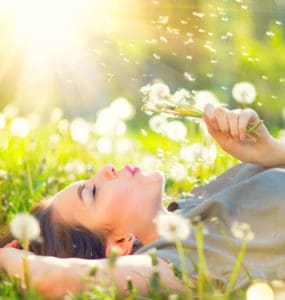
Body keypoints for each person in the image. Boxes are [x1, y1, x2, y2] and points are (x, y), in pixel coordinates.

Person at [1, 103, 285, 298]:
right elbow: (50, 279)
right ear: (118, 246)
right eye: (93, 192)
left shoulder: (192, 204)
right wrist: (5, 257)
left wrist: (271, 151)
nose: (106, 169)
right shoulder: (174, 261)